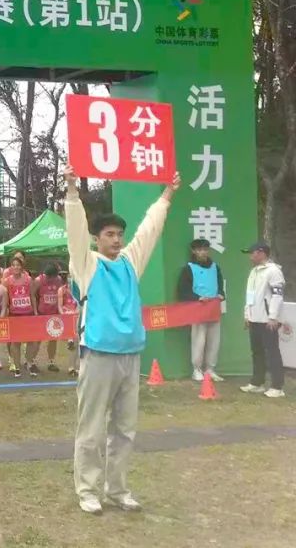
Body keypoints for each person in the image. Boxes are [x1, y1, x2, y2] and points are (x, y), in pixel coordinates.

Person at [67, 165, 179, 515]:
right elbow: (75, 232)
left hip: (131, 355)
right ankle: (88, 490)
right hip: (98, 354)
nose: (117, 240)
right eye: (110, 234)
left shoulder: (130, 263)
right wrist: (72, 192)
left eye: (119, 234)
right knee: (91, 429)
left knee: (125, 429)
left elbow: (149, 230)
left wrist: (167, 195)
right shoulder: (87, 265)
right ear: (97, 238)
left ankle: (117, 489)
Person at [239, 241, 286, 398]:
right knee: (257, 352)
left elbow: (277, 295)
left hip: (268, 320)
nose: (250, 257)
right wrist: (247, 314)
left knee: (272, 352)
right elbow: (250, 295)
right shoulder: (254, 271)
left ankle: (277, 387)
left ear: (261, 253)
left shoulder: (274, 271)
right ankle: (257, 383)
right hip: (255, 319)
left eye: (252, 253)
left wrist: (273, 316)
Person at [177, 239, 226, 382]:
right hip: (198, 308)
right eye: (199, 250)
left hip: (213, 308)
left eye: (205, 249)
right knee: (199, 340)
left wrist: (221, 294)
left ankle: (210, 369)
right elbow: (182, 290)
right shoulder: (189, 268)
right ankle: (196, 369)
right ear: (193, 251)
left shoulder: (215, 267)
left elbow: (220, 284)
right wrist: (197, 298)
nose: (203, 252)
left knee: (214, 340)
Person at [4, 257, 37, 377]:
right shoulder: (7, 281)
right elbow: (6, 298)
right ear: (11, 267)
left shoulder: (28, 279)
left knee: (31, 341)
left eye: (18, 265)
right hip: (14, 315)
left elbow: (32, 296)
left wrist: (35, 311)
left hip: (28, 313)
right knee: (15, 342)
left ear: (22, 266)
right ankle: (17, 367)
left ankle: (29, 363)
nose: (16, 267)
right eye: (13, 265)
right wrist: (6, 311)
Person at [35, 264, 65, 373]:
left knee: (53, 339)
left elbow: (62, 294)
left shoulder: (59, 280)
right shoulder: (39, 280)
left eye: (50, 277)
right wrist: (35, 311)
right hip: (41, 313)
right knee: (37, 339)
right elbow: (33, 295)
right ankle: (32, 361)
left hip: (54, 314)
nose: (48, 278)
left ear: (54, 275)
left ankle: (51, 362)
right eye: (47, 276)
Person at [59, 276, 81, 378]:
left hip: (78, 316)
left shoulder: (80, 290)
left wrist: (77, 311)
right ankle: (71, 367)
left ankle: (78, 367)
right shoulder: (62, 290)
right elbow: (60, 306)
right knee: (73, 344)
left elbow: (82, 304)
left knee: (80, 344)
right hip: (68, 317)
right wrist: (64, 314)